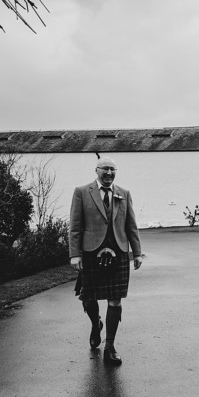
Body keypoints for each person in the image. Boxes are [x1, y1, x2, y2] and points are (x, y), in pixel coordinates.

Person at [69, 156, 142, 365]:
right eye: (105, 169)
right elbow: (75, 226)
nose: (109, 173)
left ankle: (110, 346)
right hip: (91, 252)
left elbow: (131, 226)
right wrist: (75, 254)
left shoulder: (124, 193)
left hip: (118, 252)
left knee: (115, 299)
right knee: (88, 297)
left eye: (113, 169)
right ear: (96, 170)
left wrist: (136, 252)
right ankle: (95, 324)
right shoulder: (82, 192)